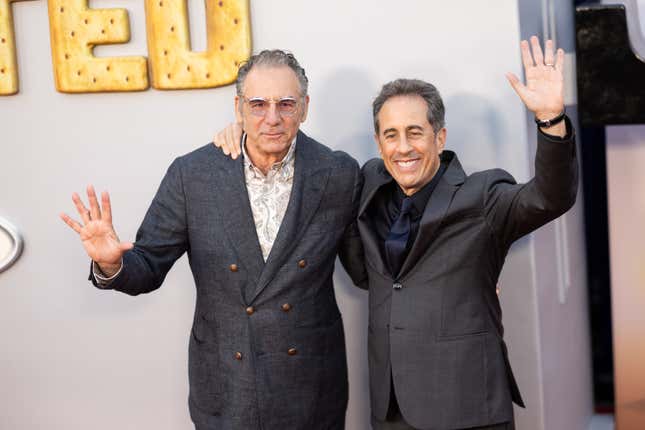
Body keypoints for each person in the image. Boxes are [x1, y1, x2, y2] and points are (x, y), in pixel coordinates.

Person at [213, 37, 577, 430]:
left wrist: (550, 119)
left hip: (467, 409)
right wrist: (242, 134)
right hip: (391, 410)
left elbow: (549, 197)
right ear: (378, 143)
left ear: (440, 137)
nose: (403, 148)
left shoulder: (483, 198)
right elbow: (303, 171)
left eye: (415, 132)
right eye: (391, 135)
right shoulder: (367, 183)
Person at [60, 50, 366, 430]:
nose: (272, 118)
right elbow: (148, 267)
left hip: (309, 382)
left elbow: (367, 270)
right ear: (238, 107)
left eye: (286, 103)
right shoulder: (194, 175)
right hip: (227, 380)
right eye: (257, 104)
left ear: (304, 108)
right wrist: (112, 263)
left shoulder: (338, 173)